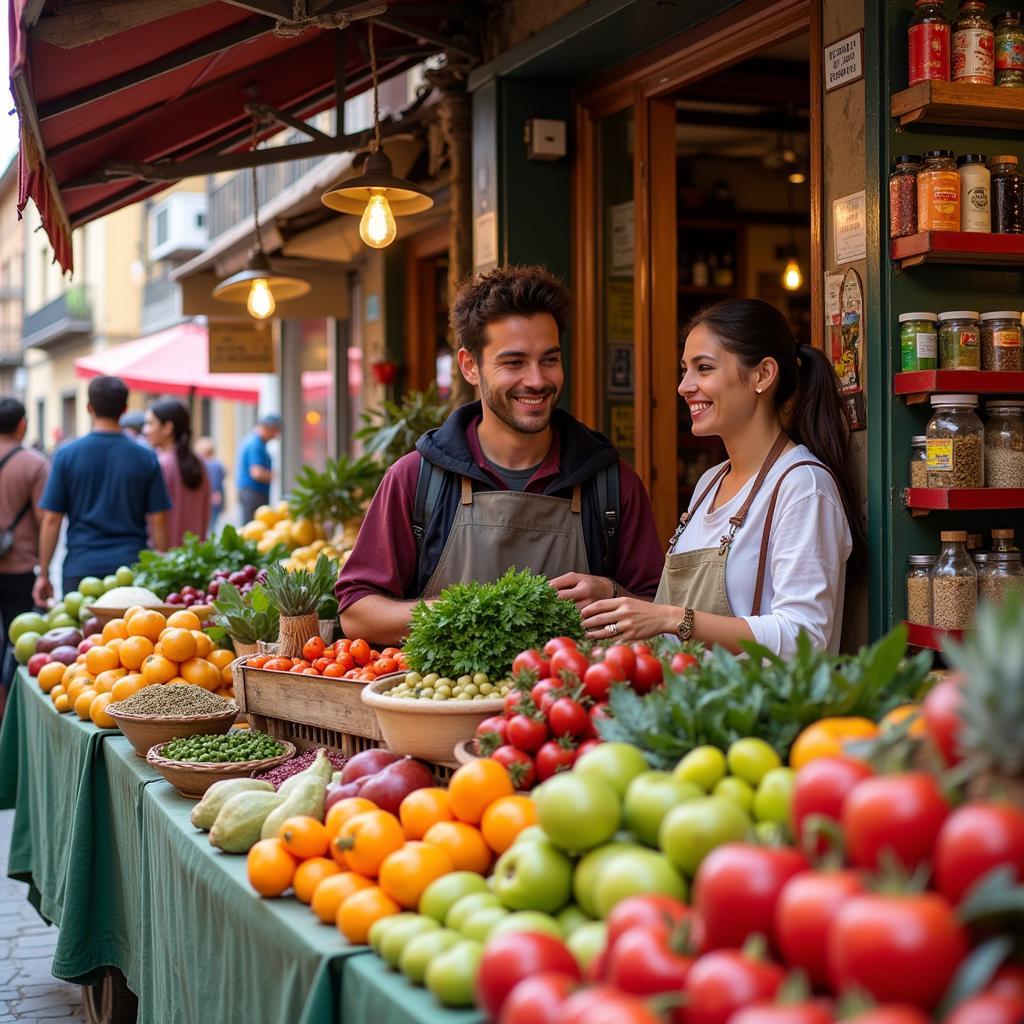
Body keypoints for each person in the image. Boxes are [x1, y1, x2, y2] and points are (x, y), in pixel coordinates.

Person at [338, 264, 664, 647]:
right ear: (470, 366)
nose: (537, 380)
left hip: (573, 702)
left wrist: (610, 592)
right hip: (445, 703)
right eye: (514, 363)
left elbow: (660, 608)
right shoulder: (414, 480)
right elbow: (356, 612)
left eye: (549, 359)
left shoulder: (613, 483)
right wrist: (467, 611)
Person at [580, 298, 866, 657]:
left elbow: (803, 636)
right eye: (684, 370)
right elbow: (663, 624)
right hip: (689, 704)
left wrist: (676, 619)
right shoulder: (709, 483)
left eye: (703, 368)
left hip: (763, 711)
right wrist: (612, 595)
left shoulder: (803, 487)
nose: (684, 386)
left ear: (762, 375)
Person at [33, 377, 171, 604]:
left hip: (80, 567)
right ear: (124, 410)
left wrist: (44, 574)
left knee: (82, 638)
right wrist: (162, 566)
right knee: (130, 638)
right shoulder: (146, 457)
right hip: (131, 569)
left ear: (89, 408)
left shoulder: (66, 455)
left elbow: (51, 520)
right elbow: (159, 519)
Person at [0, 397, 49, 689]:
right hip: (20, 567)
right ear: (22, 425)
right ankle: (8, 704)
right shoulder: (35, 463)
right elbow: (46, 519)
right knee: (17, 640)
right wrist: (44, 572)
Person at [144, 400, 212, 548]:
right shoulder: (199, 463)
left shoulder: (160, 465)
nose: (146, 430)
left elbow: (156, 519)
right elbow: (206, 511)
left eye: (150, 424)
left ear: (168, 427)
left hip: (166, 559)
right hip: (195, 556)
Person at [236, 413, 281, 524]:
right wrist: (272, 475)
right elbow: (257, 473)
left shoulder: (256, 443)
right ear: (268, 428)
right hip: (253, 493)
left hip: (253, 493)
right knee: (253, 529)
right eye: (275, 431)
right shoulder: (255, 444)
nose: (276, 435)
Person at [195, 436, 226, 536]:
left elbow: (216, 481)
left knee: (208, 524)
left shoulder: (206, 464)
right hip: (213, 497)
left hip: (210, 497)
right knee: (212, 524)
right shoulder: (216, 463)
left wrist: (215, 493)